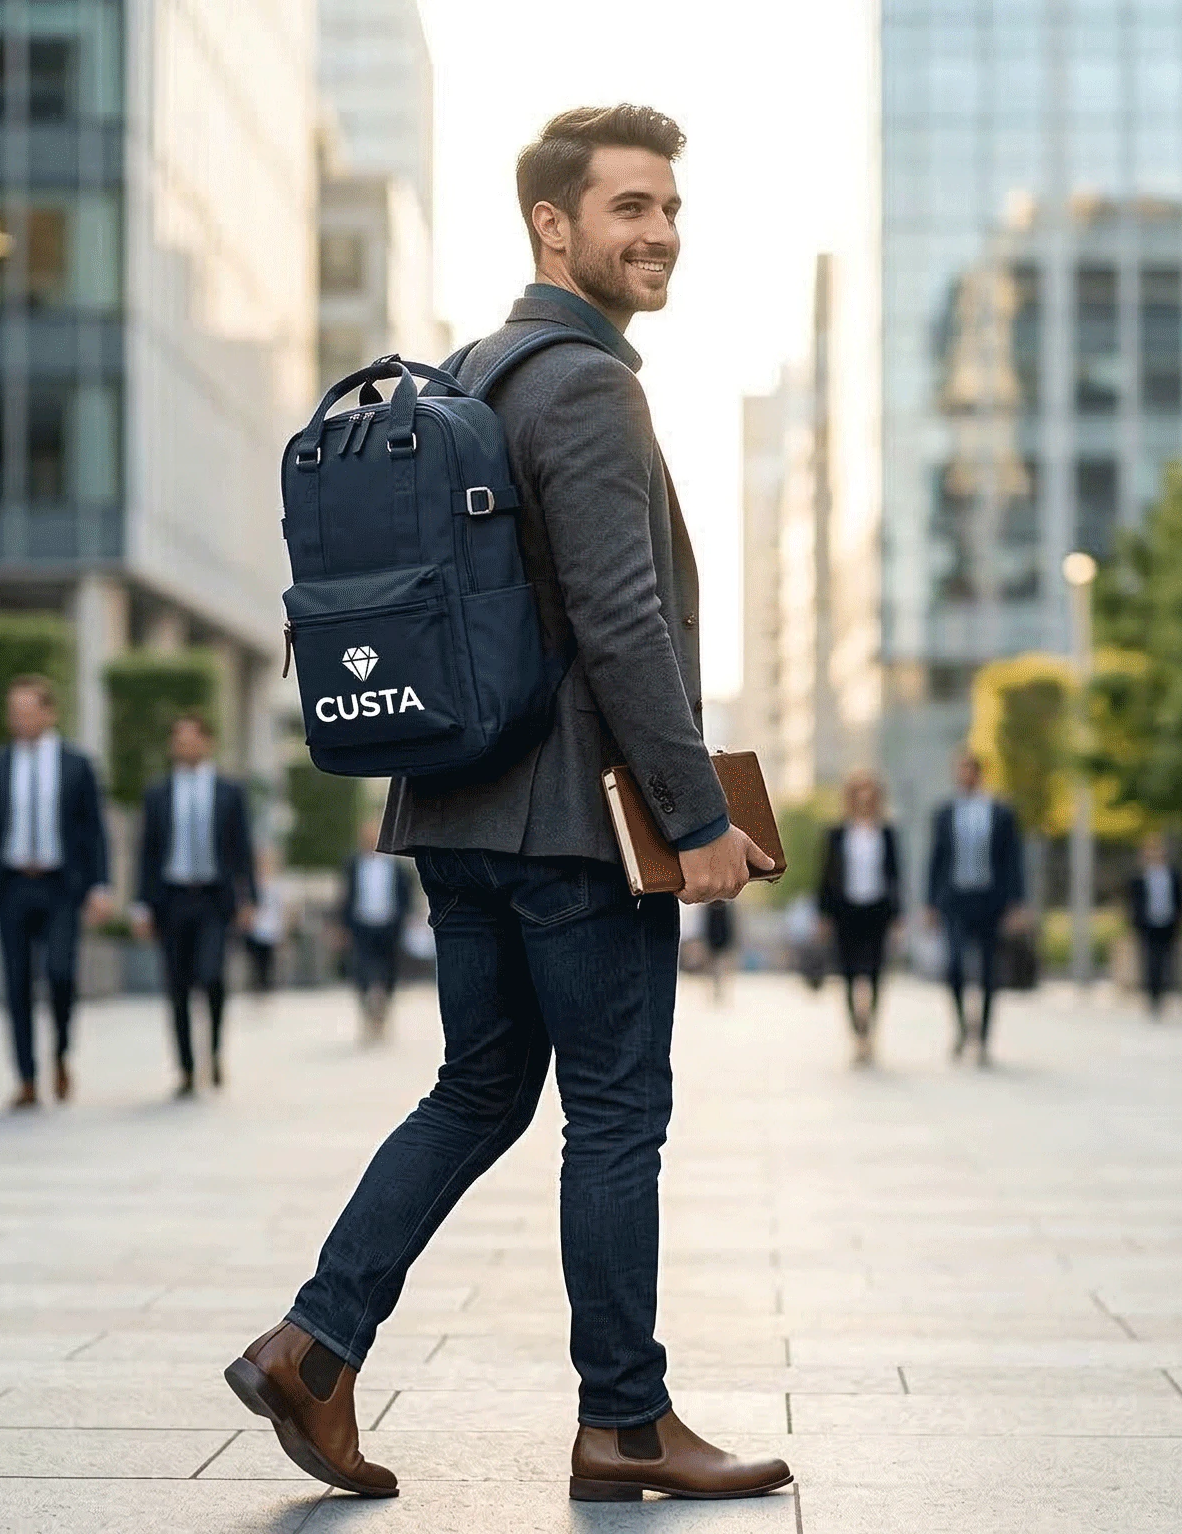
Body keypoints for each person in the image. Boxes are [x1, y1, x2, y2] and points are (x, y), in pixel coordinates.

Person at [224, 106, 790, 1504]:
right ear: (554, 225)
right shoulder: (586, 385)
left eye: (666, 208)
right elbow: (620, 615)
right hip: (574, 826)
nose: (656, 232)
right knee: (613, 1109)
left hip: (451, 809)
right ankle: (627, 1422)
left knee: (477, 1086)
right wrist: (693, 813)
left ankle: (316, 1339)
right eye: (626, 209)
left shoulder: (476, 370)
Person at [0, 675, 111, 1109]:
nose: (20, 720)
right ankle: (27, 1077)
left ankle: (61, 1053)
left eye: (28, 711)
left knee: (61, 973)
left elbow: (93, 830)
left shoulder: (76, 764)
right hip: (10, 886)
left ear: (49, 713)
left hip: (61, 885)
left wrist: (100, 886)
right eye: (14, 712)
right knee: (16, 984)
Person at [132, 715, 257, 1096]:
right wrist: (141, 905)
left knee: (212, 975)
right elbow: (147, 852)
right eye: (178, 740)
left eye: (191, 740)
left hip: (213, 900)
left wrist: (249, 898)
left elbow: (242, 849)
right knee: (177, 986)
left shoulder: (228, 792)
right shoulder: (158, 793)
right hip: (171, 899)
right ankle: (186, 1068)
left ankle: (214, 1053)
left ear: (207, 743)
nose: (184, 747)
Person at [926, 750, 1025, 1066]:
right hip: (955, 901)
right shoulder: (944, 813)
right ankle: (961, 1027)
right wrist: (929, 903)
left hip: (989, 900)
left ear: (979, 774)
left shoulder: (999, 812)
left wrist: (1016, 902)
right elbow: (936, 861)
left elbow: (1013, 861)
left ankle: (982, 1035)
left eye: (970, 770)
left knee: (987, 969)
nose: (964, 776)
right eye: (960, 770)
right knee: (954, 966)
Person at [817, 771, 901, 1066]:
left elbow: (895, 877)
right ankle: (857, 1033)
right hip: (846, 912)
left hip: (877, 911)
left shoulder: (886, 833)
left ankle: (870, 1031)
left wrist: (898, 917)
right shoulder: (838, 834)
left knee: (876, 973)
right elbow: (826, 876)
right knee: (850, 974)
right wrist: (824, 915)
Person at [337, 819, 412, 1041]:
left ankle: (383, 1009)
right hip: (361, 926)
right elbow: (345, 897)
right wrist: (342, 926)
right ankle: (367, 1010)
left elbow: (405, 897)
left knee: (389, 970)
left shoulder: (397, 867)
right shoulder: (352, 865)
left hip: (389, 926)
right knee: (361, 969)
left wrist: (403, 921)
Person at [1127, 832, 1182, 1017]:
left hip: (1168, 924)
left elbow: (1181, 899)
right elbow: (1133, 903)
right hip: (1148, 925)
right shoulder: (1140, 878)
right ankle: (1153, 997)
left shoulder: (1174, 876)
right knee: (1151, 961)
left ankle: (1162, 993)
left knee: (1165, 961)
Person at [243, 848, 286, 995]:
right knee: (255, 958)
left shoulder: (275, 884)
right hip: (255, 926)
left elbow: (279, 907)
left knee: (268, 960)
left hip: (270, 926)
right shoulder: (252, 882)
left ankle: (265, 985)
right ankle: (257, 984)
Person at [701, 899, 736, 1006]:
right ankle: (715, 989)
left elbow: (730, 925)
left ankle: (720, 989)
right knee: (714, 966)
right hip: (714, 938)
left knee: (720, 965)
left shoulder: (725, 907)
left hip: (720, 938)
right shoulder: (709, 907)